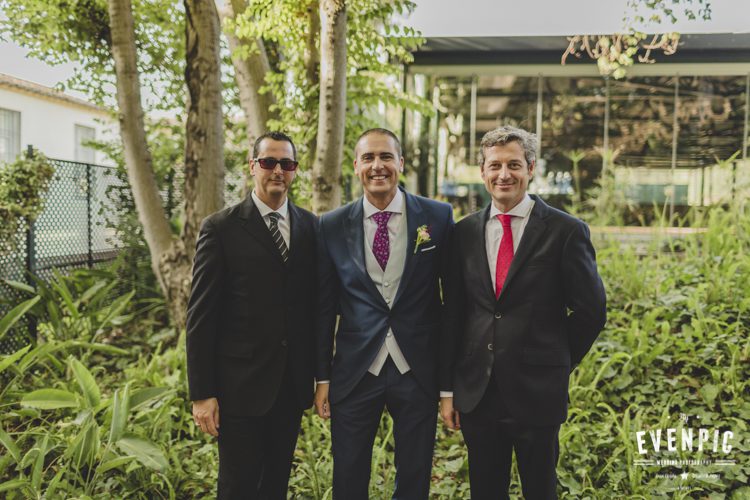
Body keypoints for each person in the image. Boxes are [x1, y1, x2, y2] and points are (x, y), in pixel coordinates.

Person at [439, 125, 606, 499]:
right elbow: (454, 313)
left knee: (540, 490)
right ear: (482, 172)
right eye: (495, 165)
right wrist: (448, 388)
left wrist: (554, 359)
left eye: (513, 164)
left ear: (531, 168)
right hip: (478, 394)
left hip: (537, 392)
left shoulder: (566, 231)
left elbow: (591, 311)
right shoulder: (462, 234)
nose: (504, 174)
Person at [314, 128, 454, 499]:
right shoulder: (331, 225)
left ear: (400, 163)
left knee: (415, 476)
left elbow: (452, 306)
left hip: (417, 369)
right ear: (356, 166)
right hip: (355, 371)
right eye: (369, 158)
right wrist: (322, 377)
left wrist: (447, 384)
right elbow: (324, 309)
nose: (378, 166)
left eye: (386, 157)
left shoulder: (438, 217)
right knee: (348, 475)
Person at [186, 131, 318, 499]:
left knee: (275, 485)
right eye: (269, 162)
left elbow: (313, 307)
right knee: (238, 487)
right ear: (252, 166)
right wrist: (202, 394)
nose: (277, 170)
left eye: (286, 164)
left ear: (295, 170)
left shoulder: (311, 227)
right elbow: (200, 317)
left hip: (290, 386)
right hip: (239, 388)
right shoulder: (221, 228)